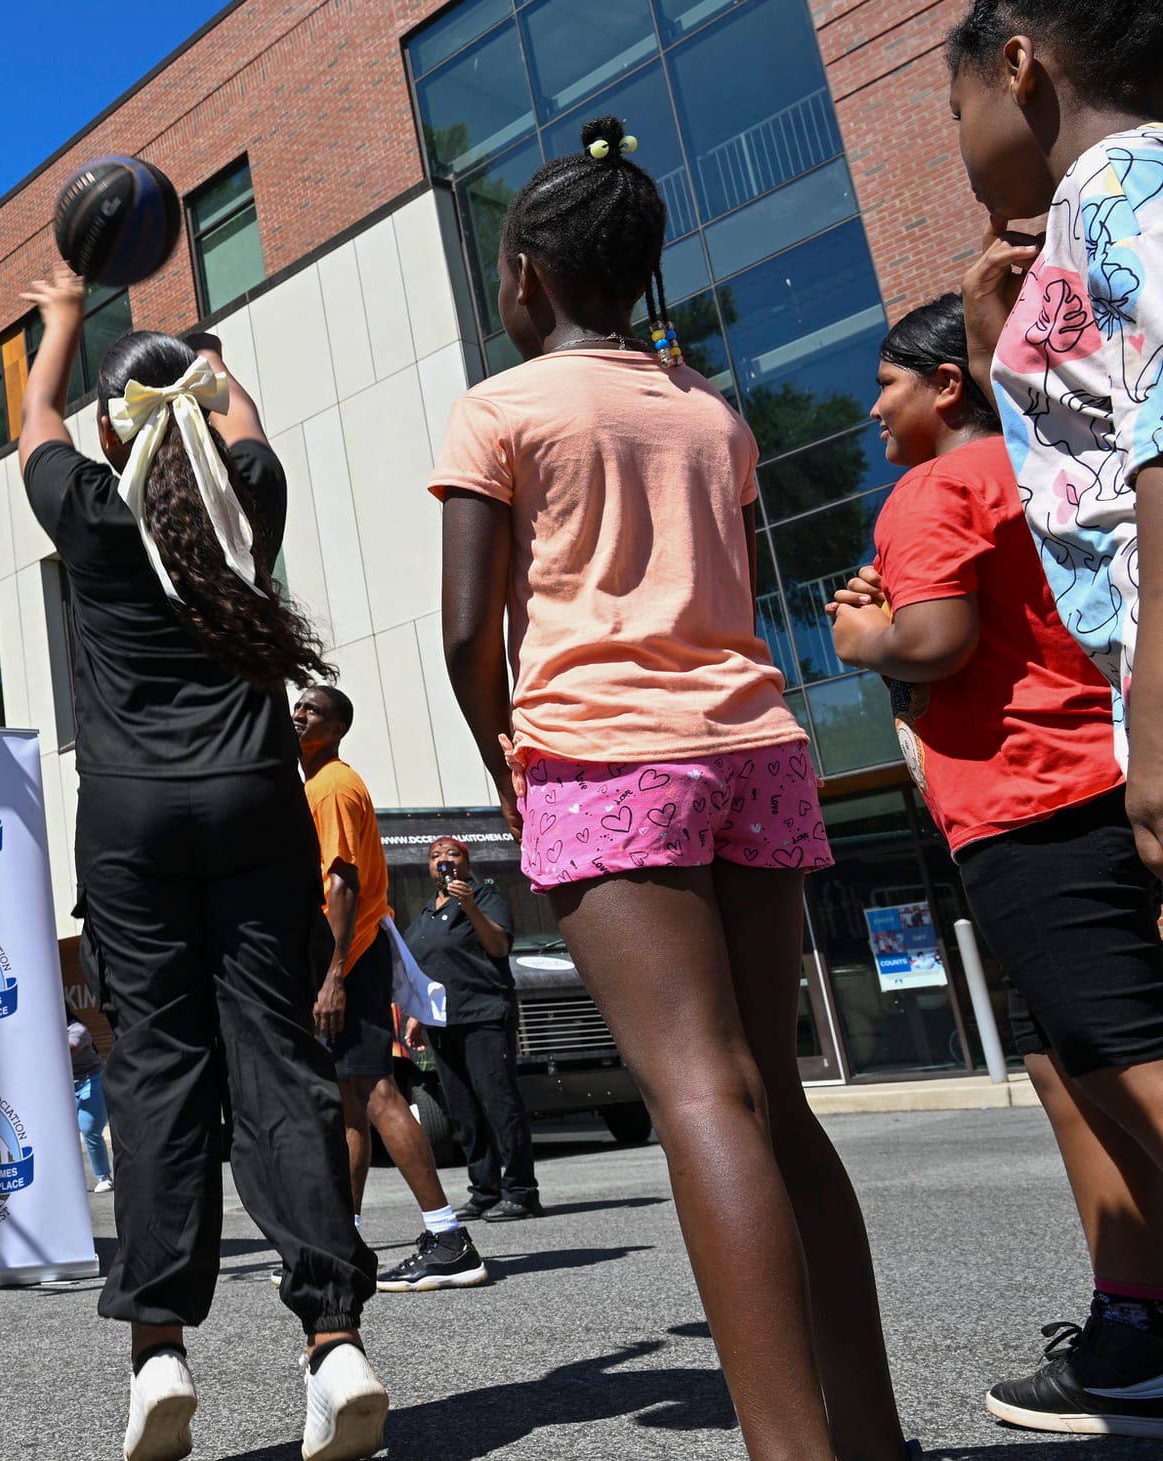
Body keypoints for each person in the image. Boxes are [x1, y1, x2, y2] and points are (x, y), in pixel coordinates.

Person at [430, 114, 911, 1460]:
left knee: (698, 1094)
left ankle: (786, 1449)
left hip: (603, 751)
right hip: (753, 745)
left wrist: (507, 760)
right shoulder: (710, 408)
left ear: (524, 276)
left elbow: (469, 630)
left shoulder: (503, 408)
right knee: (773, 1091)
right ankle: (864, 1434)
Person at [18, 264, 386, 1461]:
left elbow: (35, 422)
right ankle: (332, 1344)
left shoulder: (89, 514)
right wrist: (209, 362)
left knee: (156, 1075)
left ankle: (159, 1351)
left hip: (128, 818)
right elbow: (241, 421)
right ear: (203, 402)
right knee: (278, 1063)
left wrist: (64, 317)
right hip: (252, 801)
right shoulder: (247, 499)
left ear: (117, 427)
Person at [833, 290, 1163, 1435]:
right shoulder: (1041, 468)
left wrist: (857, 632)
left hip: (1025, 802)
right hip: (1100, 776)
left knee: (1119, 1065)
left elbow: (931, 642)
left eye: (884, 383)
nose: (870, 408)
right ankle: (1133, 1328)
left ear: (946, 386)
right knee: (1069, 1069)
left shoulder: (932, 488)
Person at [950, 2, 1163, 813]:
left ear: (1017, 66)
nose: (961, 139)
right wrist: (994, 358)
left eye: (959, 111)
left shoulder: (1117, 181)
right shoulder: (1110, 195)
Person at [292, 685, 488, 1295]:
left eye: (313, 710)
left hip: (348, 960)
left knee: (376, 1091)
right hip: (352, 958)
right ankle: (345, 1238)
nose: (298, 714)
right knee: (352, 1100)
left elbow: (343, 884)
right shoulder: (318, 784)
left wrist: (331, 977)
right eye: (296, 707)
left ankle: (448, 1237)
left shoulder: (331, 787)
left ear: (339, 727)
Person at [401, 837, 539, 1222]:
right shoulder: (429, 910)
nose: (443, 860)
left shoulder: (484, 896)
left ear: (466, 860)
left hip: (483, 1015)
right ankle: (484, 1190)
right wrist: (416, 1015)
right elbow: (430, 965)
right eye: (434, 856)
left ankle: (521, 1192)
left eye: (452, 854)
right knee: (463, 1111)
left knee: (498, 1103)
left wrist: (469, 906)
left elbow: (498, 947)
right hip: (444, 1021)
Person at [70, 1006, 114, 1193]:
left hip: (92, 1079)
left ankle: (104, 1177)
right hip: (65, 1084)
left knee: (89, 1128)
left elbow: (68, 1050)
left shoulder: (77, 1029)